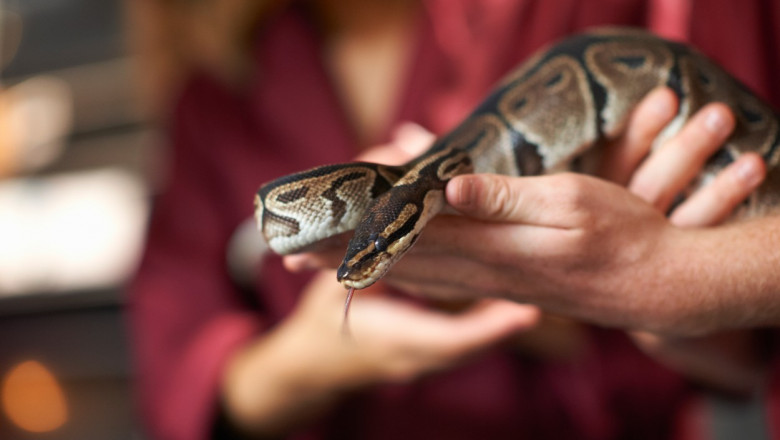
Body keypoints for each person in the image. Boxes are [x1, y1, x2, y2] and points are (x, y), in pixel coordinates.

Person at [128, 0, 779, 439]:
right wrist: (307, 361)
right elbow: (173, 366)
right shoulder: (215, 94)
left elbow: (737, 353)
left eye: (379, 250)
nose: (368, 264)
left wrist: (647, 284)